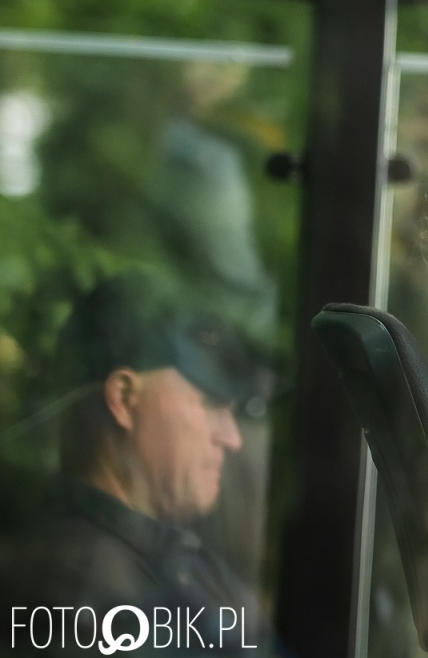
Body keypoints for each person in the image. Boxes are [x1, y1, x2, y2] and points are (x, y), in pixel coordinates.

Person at [1, 273, 277, 656]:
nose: (232, 438)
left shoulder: (161, 555)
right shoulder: (86, 598)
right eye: (211, 405)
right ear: (125, 398)